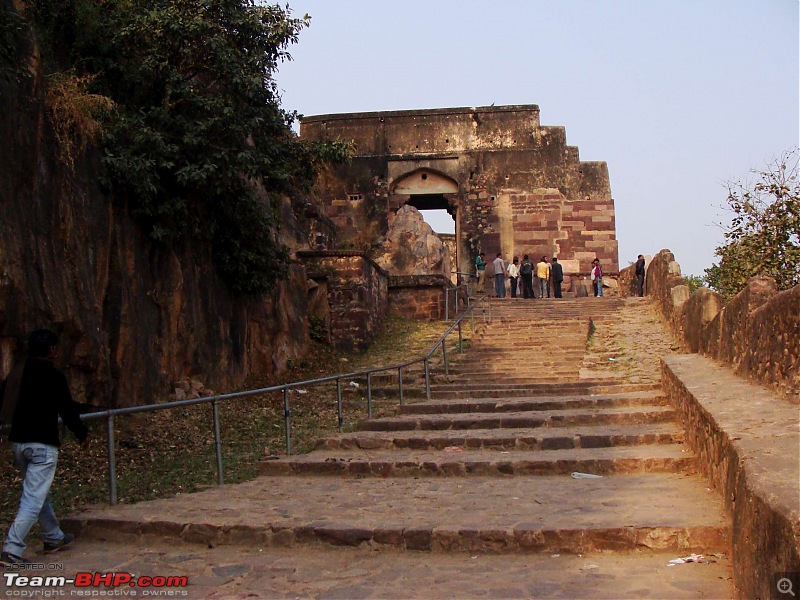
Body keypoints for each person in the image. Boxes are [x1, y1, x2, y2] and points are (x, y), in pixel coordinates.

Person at [0, 330, 88, 566]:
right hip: (42, 444)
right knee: (33, 498)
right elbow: (67, 409)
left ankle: (53, 536)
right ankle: (12, 548)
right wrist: (81, 432)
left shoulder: (17, 372)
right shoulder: (53, 375)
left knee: (37, 492)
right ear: (51, 350)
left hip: (19, 443)